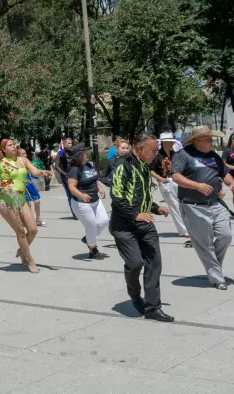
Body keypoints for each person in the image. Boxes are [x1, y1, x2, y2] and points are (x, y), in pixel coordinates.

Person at [109, 134, 173, 322]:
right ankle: (135, 295)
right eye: (152, 150)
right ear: (139, 149)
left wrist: (155, 208)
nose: (155, 154)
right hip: (124, 225)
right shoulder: (123, 165)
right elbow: (117, 196)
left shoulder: (145, 167)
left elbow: (142, 195)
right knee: (135, 263)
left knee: (154, 263)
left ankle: (153, 307)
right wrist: (135, 214)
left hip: (145, 224)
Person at [171, 126, 234, 289]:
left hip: (215, 203)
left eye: (211, 139)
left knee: (226, 235)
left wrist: (231, 183)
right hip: (193, 206)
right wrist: (197, 186)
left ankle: (213, 267)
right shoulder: (183, 154)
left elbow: (224, 173)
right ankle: (217, 278)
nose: (211, 142)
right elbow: (176, 176)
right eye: (208, 139)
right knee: (205, 244)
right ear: (197, 140)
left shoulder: (213, 156)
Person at [0, 138, 40, 273]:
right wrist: (0, 188)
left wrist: (43, 172)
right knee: (21, 232)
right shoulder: (0, 164)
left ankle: (22, 250)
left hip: (20, 199)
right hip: (6, 202)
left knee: (33, 230)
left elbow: (34, 171)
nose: (13, 147)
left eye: (14, 144)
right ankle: (30, 260)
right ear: (4, 150)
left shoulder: (23, 160)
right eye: (10, 145)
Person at [67, 143, 110, 259]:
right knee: (92, 226)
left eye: (87, 152)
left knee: (104, 221)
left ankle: (88, 238)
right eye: (85, 153)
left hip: (96, 200)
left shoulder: (89, 165)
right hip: (82, 203)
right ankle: (93, 249)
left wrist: (100, 189)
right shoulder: (74, 170)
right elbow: (71, 187)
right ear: (79, 155)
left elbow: (94, 180)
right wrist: (81, 195)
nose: (87, 154)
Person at [150, 132, 190, 245]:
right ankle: (183, 230)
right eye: (170, 140)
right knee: (175, 206)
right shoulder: (157, 155)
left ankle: (187, 227)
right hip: (166, 181)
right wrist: (160, 179)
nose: (172, 142)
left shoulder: (174, 153)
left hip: (177, 179)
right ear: (165, 142)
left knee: (183, 204)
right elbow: (150, 169)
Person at [19, 146, 52, 227]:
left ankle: (38, 218)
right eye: (23, 154)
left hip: (30, 184)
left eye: (25, 154)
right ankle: (28, 220)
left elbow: (33, 171)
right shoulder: (17, 163)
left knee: (37, 200)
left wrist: (38, 177)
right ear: (18, 155)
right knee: (27, 203)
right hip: (23, 186)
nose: (25, 155)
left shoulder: (27, 162)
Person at [54, 137, 77, 219]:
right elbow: (56, 166)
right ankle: (74, 213)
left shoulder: (73, 152)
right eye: (68, 143)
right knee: (70, 195)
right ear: (64, 144)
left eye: (71, 143)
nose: (70, 145)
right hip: (65, 177)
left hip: (74, 176)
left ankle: (79, 211)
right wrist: (65, 174)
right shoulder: (60, 153)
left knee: (77, 194)